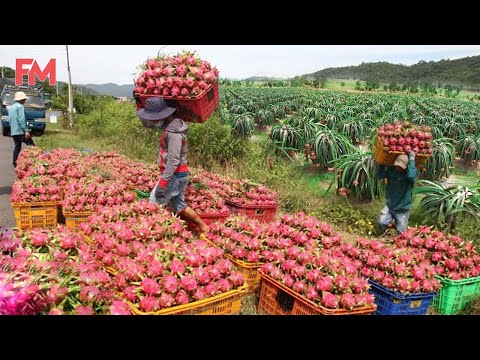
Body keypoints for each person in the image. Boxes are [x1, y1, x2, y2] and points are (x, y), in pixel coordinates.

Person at [137, 97, 209, 233]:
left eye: (153, 117)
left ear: (162, 116)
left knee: (154, 204)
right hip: (176, 175)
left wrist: (163, 182)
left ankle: (152, 233)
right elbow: (148, 124)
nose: (152, 121)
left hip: (174, 175)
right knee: (179, 206)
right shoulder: (171, 125)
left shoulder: (174, 133)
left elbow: (174, 160)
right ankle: (205, 228)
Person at [376, 151, 417, 234]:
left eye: (401, 167)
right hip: (390, 205)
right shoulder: (392, 171)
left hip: (403, 208)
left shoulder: (409, 176)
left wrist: (412, 159)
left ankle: (399, 227)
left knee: (401, 233)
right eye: (397, 166)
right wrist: (382, 163)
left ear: (406, 167)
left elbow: (411, 176)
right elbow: (379, 176)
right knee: (381, 222)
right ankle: (395, 226)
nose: (398, 168)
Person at [9, 91, 35, 167]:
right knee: (32, 146)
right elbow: (21, 119)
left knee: (17, 147)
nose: (25, 100)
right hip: (20, 131)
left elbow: (11, 119)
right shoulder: (20, 107)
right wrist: (26, 131)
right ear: (21, 99)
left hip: (14, 131)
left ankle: (15, 163)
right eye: (24, 99)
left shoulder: (12, 107)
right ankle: (34, 161)